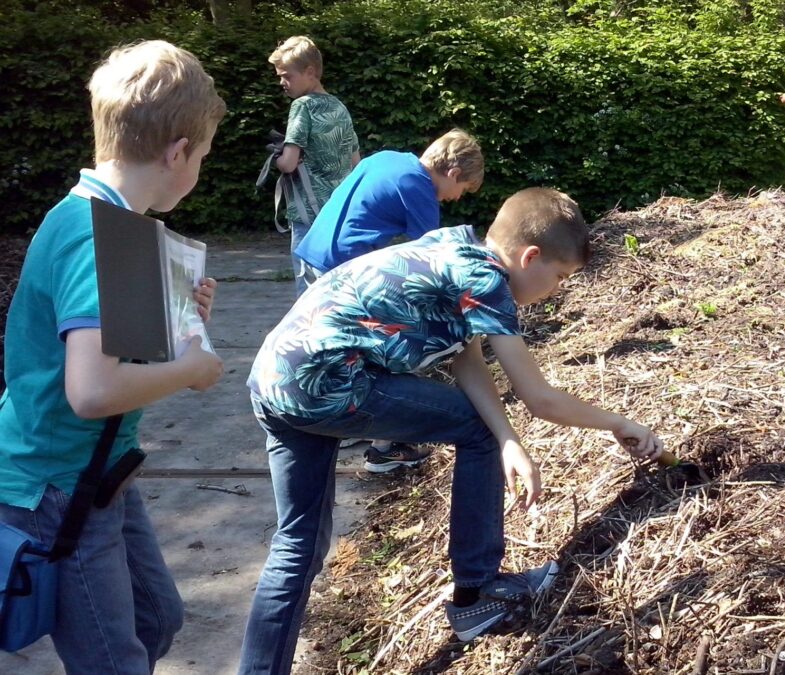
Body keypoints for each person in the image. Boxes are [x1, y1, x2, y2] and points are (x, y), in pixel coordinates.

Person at [239, 188, 663, 672]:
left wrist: (508, 439)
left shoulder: (455, 249)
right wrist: (618, 423)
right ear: (530, 256)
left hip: (275, 380)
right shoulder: (487, 282)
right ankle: (476, 596)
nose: (557, 289)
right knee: (474, 427)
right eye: (559, 276)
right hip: (329, 384)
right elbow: (538, 397)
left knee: (297, 548)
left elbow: (467, 358)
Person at [0, 40, 225, 671]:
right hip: (57, 484)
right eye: (202, 156)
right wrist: (191, 370)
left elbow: (107, 346)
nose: (199, 168)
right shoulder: (106, 237)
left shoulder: (102, 219)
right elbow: (92, 392)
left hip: (97, 472)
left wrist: (177, 319)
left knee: (157, 617)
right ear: (177, 152)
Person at [293, 128, 484, 471]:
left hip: (313, 252)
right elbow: (433, 257)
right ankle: (385, 446)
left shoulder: (388, 158)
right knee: (385, 342)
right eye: (462, 190)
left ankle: (337, 419)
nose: (455, 199)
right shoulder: (419, 187)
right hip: (339, 267)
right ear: (454, 173)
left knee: (326, 344)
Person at [268, 35, 360, 296]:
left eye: (286, 76)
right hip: (339, 212)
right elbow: (356, 162)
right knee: (338, 285)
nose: (282, 83)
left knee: (308, 289)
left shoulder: (302, 106)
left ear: (309, 72)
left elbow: (288, 163)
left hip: (308, 213)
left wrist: (275, 157)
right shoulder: (340, 107)